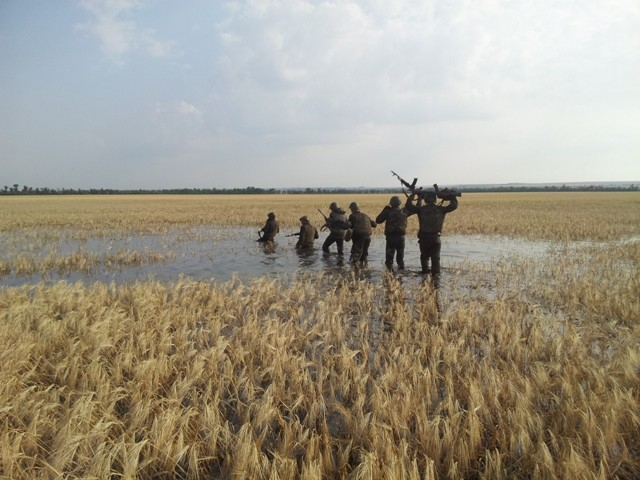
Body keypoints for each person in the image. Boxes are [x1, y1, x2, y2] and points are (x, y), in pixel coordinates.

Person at [405, 191, 458, 276]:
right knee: (436, 260)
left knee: (424, 258)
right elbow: (454, 205)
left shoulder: (421, 209)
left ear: (425, 200)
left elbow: (408, 206)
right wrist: (451, 195)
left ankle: (425, 276)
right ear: (435, 200)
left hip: (424, 239)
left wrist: (413, 194)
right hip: (435, 239)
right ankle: (436, 279)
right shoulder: (441, 209)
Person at [376, 195, 413, 270]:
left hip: (391, 238)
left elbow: (378, 220)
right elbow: (416, 208)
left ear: (391, 203)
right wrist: (414, 196)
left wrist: (384, 210)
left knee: (389, 260)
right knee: (400, 260)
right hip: (401, 238)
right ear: (399, 203)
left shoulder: (388, 212)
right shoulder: (404, 211)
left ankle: (389, 274)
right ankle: (401, 274)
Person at [347, 202, 376, 266]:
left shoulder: (352, 216)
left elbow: (349, 225)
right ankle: (365, 269)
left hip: (359, 238)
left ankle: (355, 270)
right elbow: (374, 225)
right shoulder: (365, 215)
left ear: (352, 209)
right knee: (364, 256)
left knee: (354, 257)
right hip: (368, 238)